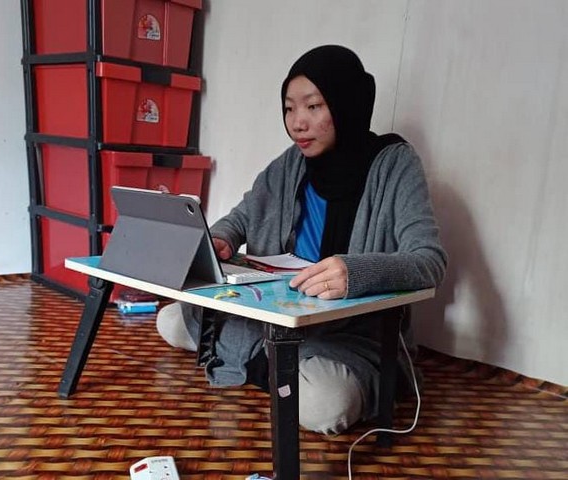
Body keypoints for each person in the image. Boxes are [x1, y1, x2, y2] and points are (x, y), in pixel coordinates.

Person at [156, 45, 447, 435]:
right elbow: (241, 217)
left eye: (313, 106)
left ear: (347, 103)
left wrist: (355, 272)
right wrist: (222, 239)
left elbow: (429, 260)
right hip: (275, 317)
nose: (297, 123)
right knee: (170, 321)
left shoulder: (395, 165)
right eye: (289, 108)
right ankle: (280, 368)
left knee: (325, 404)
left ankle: (267, 364)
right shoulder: (290, 164)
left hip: (349, 334)